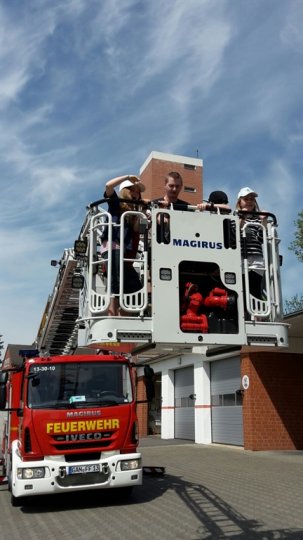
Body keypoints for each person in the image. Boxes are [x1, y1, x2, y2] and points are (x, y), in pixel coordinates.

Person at [101, 174, 146, 315]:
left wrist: (142, 211)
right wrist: (127, 176)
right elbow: (108, 186)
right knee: (116, 284)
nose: (136, 193)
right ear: (125, 191)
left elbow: (137, 229)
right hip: (113, 245)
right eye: (132, 190)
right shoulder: (116, 204)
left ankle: (125, 315)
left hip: (125, 251)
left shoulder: (133, 212)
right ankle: (112, 316)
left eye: (138, 191)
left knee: (135, 287)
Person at [235, 186, 267, 302]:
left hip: (257, 259)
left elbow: (261, 238)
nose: (249, 201)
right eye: (246, 199)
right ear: (240, 201)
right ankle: (244, 316)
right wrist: (242, 218)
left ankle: (257, 316)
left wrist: (263, 220)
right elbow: (234, 235)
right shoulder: (234, 216)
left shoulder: (257, 219)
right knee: (242, 290)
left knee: (255, 291)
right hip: (241, 258)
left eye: (252, 199)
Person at [152, 171, 189, 243]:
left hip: (180, 248)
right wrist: (155, 217)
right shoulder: (154, 204)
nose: (174, 189)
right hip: (157, 249)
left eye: (177, 186)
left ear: (181, 187)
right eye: (171, 186)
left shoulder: (187, 207)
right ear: (165, 186)